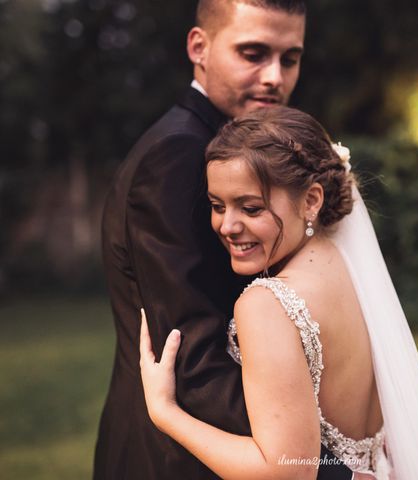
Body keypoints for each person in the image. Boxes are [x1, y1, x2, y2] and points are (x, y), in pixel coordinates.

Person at [95, 1, 351, 478]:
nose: (275, 76)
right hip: (178, 462)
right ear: (199, 47)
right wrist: (335, 469)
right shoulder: (179, 153)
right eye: (253, 53)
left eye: (289, 58)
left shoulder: (254, 148)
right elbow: (191, 356)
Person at [139, 106, 418, 479]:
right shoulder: (347, 261)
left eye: (250, 207)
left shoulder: (267, 304)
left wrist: (167, 414)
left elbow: (287, 471)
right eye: (217, 205)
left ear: (311, 201)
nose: (227, 225)